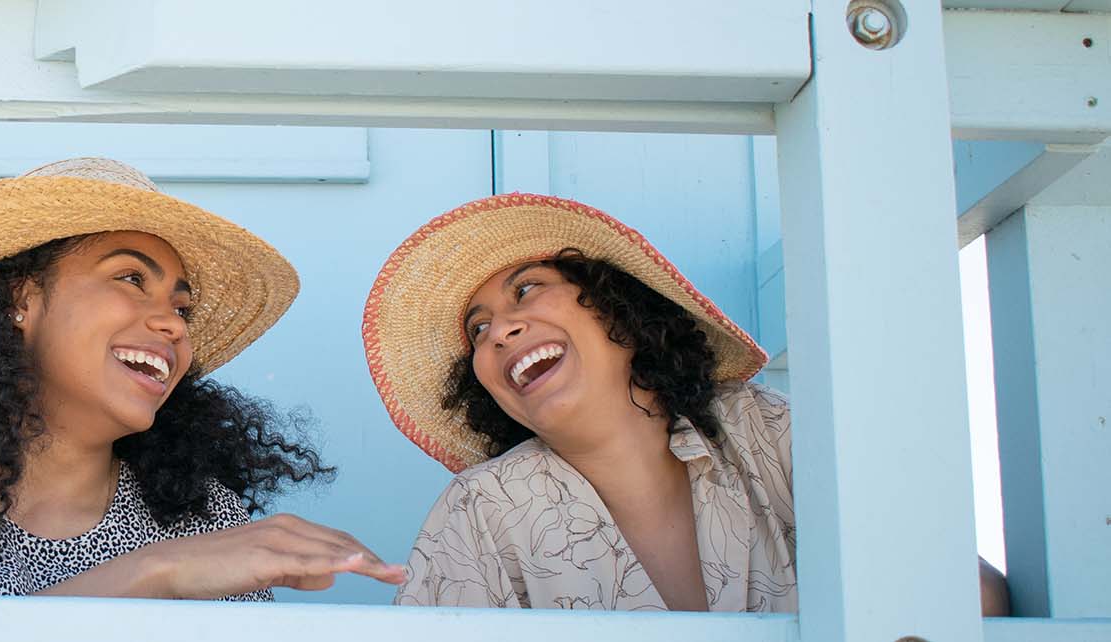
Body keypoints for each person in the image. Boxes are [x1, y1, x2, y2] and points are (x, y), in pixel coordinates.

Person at [0, 158, 403, 600]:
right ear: (21, 299)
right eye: (130, 278)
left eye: (181, 308)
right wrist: (153, 574)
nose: (172, 325)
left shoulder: (202, 518)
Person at [365, 193, 1007, 613]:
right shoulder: (479, 510)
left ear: (618, 305)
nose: (499, 331)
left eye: (527, 289)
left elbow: (974, 598)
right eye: (477, 329)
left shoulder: (762, 429)